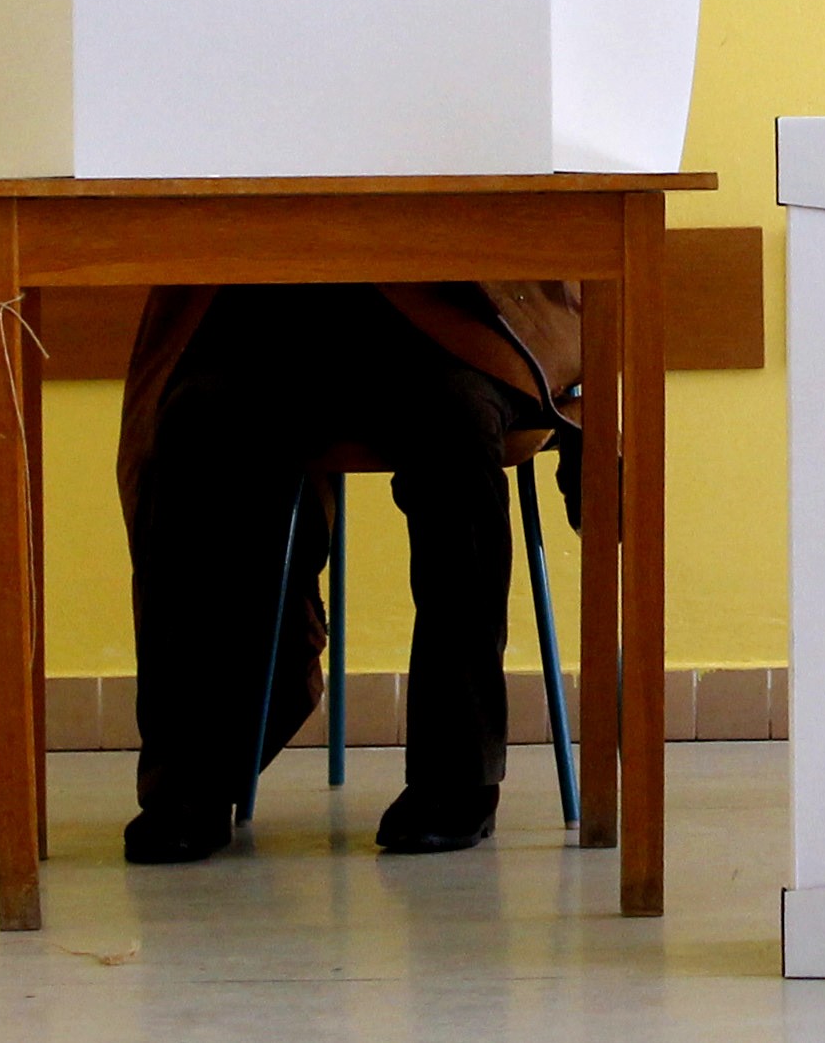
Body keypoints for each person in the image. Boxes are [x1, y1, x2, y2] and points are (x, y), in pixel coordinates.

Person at [111, 278, 580, 863]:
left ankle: (457, 776)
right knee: (200, 419)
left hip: (458, 318)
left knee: (453, 421)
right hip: (275, 312)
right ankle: (191, 778)